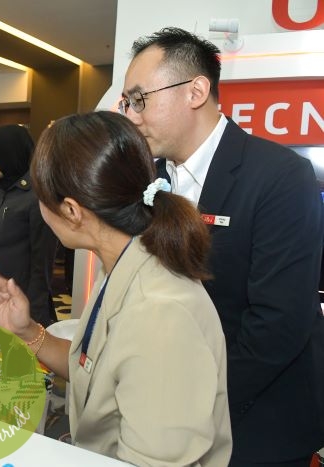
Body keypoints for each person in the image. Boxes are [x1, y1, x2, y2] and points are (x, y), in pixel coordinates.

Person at [0, 111, 231, 465]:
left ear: (71, 210)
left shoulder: (160, 313)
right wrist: (27, 331)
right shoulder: (123, 266)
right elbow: (92, 370)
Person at [122, 27, 324, 466]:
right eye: (127, 103)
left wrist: (193, 400)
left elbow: (279, 324)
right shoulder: (148, 179)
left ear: (195, 92)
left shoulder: (279, 176)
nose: (132, 116)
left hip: (253, 421)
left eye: (140, 99)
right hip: (164, 407)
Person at [0, 124, 58, 326]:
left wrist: (33, 317)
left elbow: (42, 264)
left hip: (20, 302)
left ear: (8, 155)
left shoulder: (37, 196)